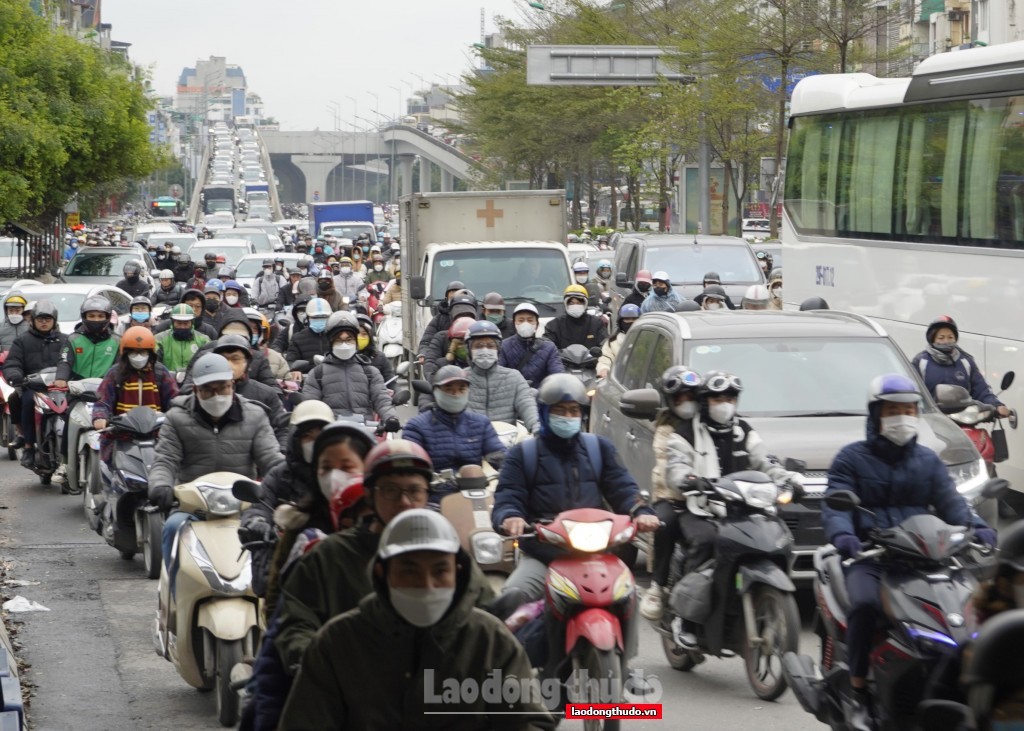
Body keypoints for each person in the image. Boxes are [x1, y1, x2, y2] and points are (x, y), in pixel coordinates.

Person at [822, 373, 997, 730]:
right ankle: (857, 691)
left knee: (969, 614)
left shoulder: (928, 461)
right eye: (893, 409)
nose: (901, 417)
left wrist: (977, 527)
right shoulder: (851, 459)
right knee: (866, 607)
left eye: (908, 409)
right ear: (876, 414)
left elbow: (951, 504)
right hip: (871, 558)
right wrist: (845, 537)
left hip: (926, 557)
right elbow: (836, 506)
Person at [278, 509, 554, 731]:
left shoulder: (490, 640)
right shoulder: (338, 643)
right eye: (409, 571)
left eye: (439, 571)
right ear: (382, 573)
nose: (427, 585)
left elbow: (527, 721)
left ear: (457, 572)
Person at [245, 421, 376, 730]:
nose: (335, 475)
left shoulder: (393, 524)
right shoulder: (303, 530)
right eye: (325, 467)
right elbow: (278, 598)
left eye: (346, 465)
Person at [492, 373, 659, 603]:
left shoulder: (599, 448)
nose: (568, 416)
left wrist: (641, 512)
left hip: (597, 554)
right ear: (544, 412)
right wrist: (510, 516)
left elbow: (622, 487)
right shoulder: (523, 454)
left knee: (627, 597)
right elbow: (509, 495)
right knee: (514, 597)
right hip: (544, 554)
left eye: (574, 410)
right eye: (559, 410)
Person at [149, 353, 283, 588]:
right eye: (208, 390)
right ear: (195, 390)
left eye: (222, 388)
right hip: (194, 508)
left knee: (275, 535)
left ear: (233, 385)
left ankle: (269, 599)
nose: (216, 395)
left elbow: (271, 459)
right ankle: (172, 594)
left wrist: (286, 485)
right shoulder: (176, 418)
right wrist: (160, 486)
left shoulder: (254, 415)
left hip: (245, 508)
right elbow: (165, 460)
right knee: (172, 527)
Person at [638, 365, 704, 620]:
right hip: (674, 496)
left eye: (691, 397)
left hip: (711, 499)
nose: (686, 403)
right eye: (680, 398)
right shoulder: (666, 429)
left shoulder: (709, 423)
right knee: (664, 524)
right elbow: (670, 468)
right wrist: (688, 483)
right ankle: (658, 586)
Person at [403, 365, 506, 502]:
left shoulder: (481, 423)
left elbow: (498, 454)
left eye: (461, 389)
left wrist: (513, 466)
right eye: (449, 389)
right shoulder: (416, 426)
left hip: (475, 497)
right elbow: (409, 466)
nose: (456, 394)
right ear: (435, 392)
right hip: (432, 500)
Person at [91, 326, 178, 461]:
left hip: (156, 435)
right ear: (125, 353)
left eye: (143, 352)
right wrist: (100, 417)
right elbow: (102, 400)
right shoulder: (115, 373)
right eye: (133, 352)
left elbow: (174, 400)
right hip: (121, 434)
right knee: (108, 466)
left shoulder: (160, 373)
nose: (138, 357)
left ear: (151, 353)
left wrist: (177, 417)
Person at [301, 311, 400, 428]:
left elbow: (381, 400)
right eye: (339, 340)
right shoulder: (317, 374)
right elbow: (310, 404)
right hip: (330, 434)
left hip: (365, 432)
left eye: (349, 340)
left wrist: (391, 417)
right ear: (331, 343)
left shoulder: (370, 372)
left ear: (355, 342)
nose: (344, 344)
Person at [3, 301, 67, 467]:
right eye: (40, 319)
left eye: (48, 318)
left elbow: (72, 362)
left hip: (60, 388)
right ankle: (29, 446)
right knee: (26, 401)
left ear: (54, 320)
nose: (44, 322)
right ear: (32, 320)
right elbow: (12, 363)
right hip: (33, 387)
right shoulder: (22, 341)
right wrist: (15, 376)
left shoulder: (66, 341)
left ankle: (73, 448)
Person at [912, 316, 1010, 417]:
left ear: (955, 338)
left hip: (964, 420)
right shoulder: (921, 361)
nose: (946, 341)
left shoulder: (966, 361)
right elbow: (913, 393)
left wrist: (997, 406)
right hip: (933, 421)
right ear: (932, 339)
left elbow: (981, 390)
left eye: (950, 337)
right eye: (941, 338)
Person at [210, 334, 290, 449]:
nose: (229, 364)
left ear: (247, 362)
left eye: (235, 359)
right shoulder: (204, 393)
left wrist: (280, 456)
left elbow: (283, 430)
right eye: (223, 359)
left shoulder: (266, 395)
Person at [464, 320, 539, 433]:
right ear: (469, 350)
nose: (485, 350)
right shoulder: (460, 379)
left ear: (498, 349)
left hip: (508, 442)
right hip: (470, 443)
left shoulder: (513, 377)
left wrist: (536, 428)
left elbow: (527, 405)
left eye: (490, 345)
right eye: (478, 345)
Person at [498, 302, 564, 389]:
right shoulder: (504, 346)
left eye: (530, 320)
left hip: (542, 398)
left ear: (537, 324)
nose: (525, 324)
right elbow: (498, 378)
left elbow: (558, 376)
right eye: (521, 320)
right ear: (514, 323)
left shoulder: (549, 348)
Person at [542, 284, 607, 351]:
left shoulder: (596, 323)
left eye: (579, 303)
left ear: (585, 303)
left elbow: (605, 346)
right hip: (561, 361)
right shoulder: (554, 325)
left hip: (592, 361)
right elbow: (547, 347)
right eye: (571, 303)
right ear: (565, 304)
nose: (575, 306)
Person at [416, 280, 466, 359]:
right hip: (443, 362)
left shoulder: (474, 318)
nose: (455, 296)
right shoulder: (439, 319)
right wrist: (423, 353)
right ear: (446, 297)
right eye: (452, 293)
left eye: (459, 293)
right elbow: (426, 340)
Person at [155, 304, 211, 373]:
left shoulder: (203, 340)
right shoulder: (160, 339)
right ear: (172, 322)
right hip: (167, 380)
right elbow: (155, 365)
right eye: (179, 323)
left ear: (192, 322)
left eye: (186, 323)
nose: (182, 326)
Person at [285, 297, 332, 367]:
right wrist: (295, 370)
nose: (319, 320)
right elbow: (290, 361)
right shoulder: (298, 338)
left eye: (323, 317)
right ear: (308, 318)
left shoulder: (336, 337)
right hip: (307, 375)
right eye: (315, 317)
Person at [597, 303, 639, 379]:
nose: (631, 322)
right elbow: (605, 358)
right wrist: (604, 369)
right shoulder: (612, 342)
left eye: (634, 319)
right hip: (619, 380)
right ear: (620, 322)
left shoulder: (647, 339)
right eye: (627, 319)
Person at [354, 312, 394, 383]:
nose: (360, 337)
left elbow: (391, 382)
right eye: (357, 334)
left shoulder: (380, 357)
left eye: (364, 334)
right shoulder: (344, 359)